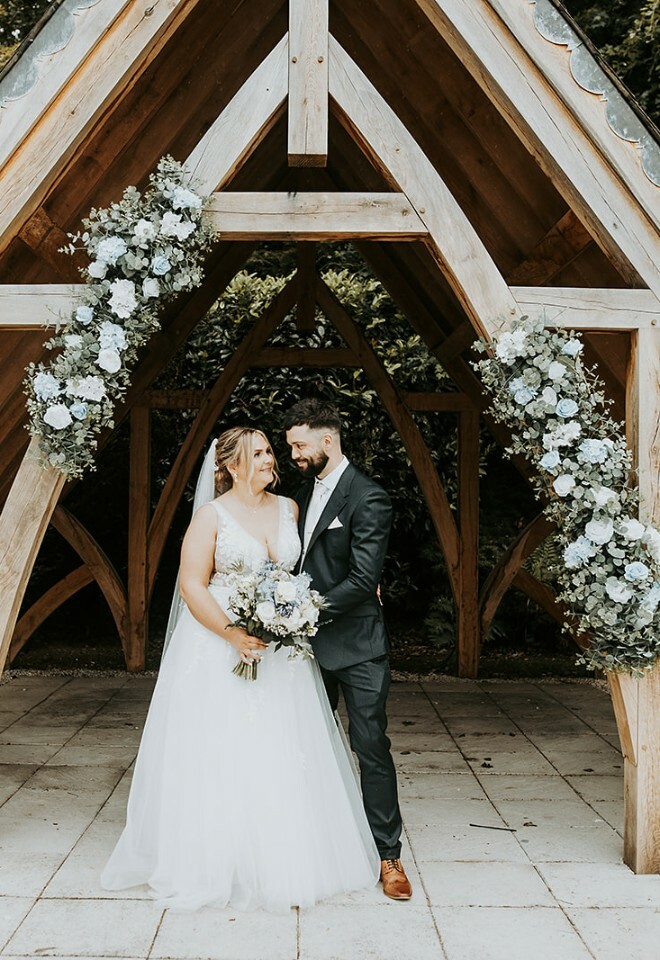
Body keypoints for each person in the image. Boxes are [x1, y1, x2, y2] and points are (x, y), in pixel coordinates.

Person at [101, 426, 380, 912]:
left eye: (271, 451)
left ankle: (285, 855)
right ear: (230, 466)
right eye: (259, 454)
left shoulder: (289, 508)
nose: (272, 459)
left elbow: (307, 570)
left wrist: (311, 603)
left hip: (281, 653)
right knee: (223, 748)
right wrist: (232, 632)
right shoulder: (211, 517)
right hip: (220, 645)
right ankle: (220, 859)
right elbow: (192, 585)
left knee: (283, 746)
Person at [284, 399, 412, 901]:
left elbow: (362, 579)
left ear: (327, 440)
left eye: (299, 444)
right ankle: (312, 845)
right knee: (302, 748)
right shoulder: (299, 495)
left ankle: (390, 857)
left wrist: (301, 610)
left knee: (370, 748)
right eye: (291, 445)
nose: (293, 453)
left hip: (357, 647)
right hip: (303, 649)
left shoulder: (369, 497)